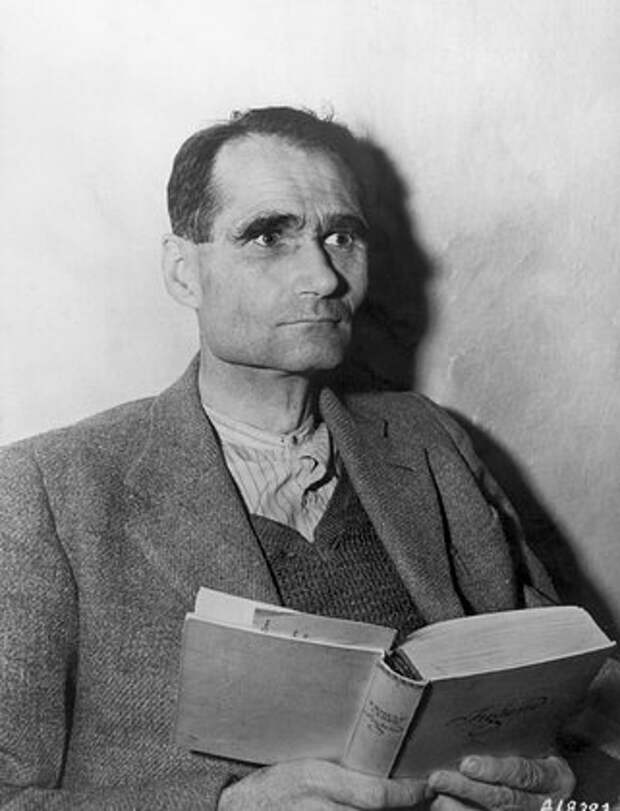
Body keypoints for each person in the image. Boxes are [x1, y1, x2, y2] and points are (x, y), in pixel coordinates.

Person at [0, 107, 576, 810]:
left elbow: (574, 696)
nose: (324, 277)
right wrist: (225, 808)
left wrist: (553, 790)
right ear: (183, 272)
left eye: (341, 236)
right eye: (269, 236)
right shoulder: (45, 491)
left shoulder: (428, 439)